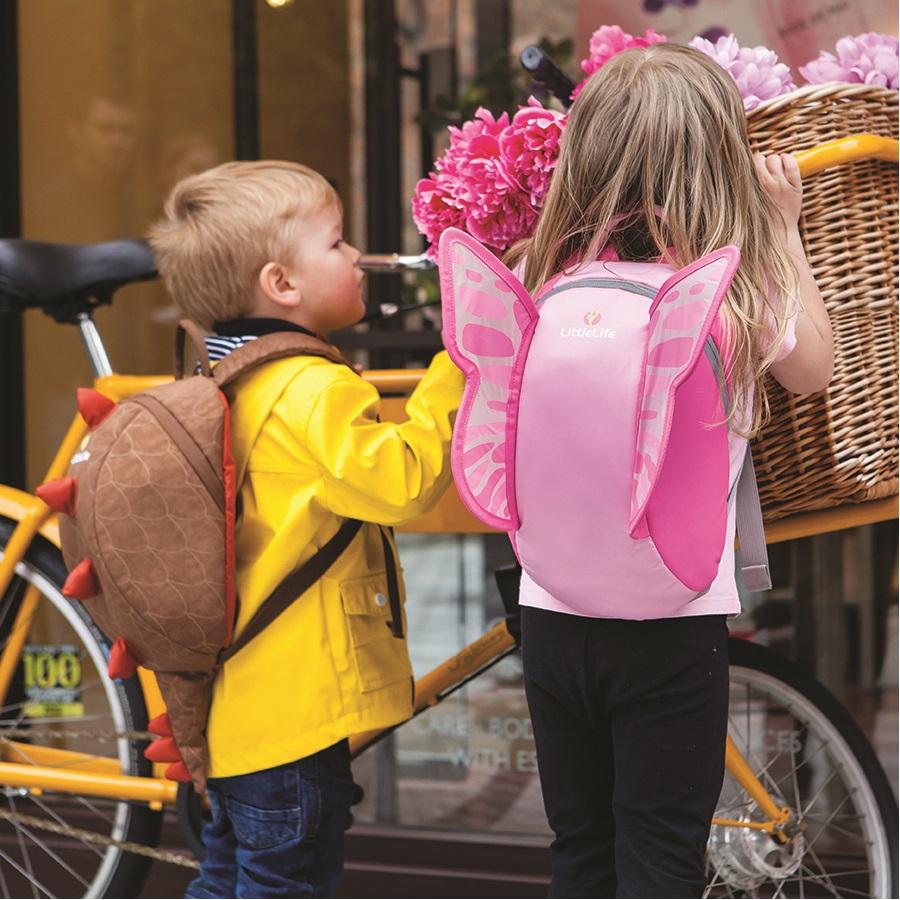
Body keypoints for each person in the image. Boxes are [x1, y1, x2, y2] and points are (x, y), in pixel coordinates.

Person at [506, 43, 834, 898]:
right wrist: (785, 231)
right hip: (671, 619)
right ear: (716, 162)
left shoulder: (543, 287)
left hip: (549, 610)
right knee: (659, 849)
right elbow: (817, 369)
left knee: (580, 842)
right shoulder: (722, 302)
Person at [148, 160, 463, 898]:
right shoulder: (308, 386)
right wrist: (459, 366)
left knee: (229, 878)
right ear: (281, 285)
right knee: (285, 885)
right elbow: (402, 482)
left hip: (240, 717)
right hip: (295, 721)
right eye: (338, 242)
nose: (357, 257)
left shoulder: (223, 375)